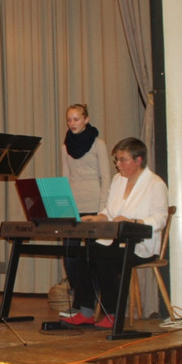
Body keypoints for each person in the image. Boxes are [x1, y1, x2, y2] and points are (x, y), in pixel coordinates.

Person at [68, 137, 169, 329]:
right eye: (117, 160)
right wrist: (98, 217)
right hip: (114, 241)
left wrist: (133, 222)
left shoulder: (155, 184)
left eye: (123, 160)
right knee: (85, 253)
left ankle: (113, 314)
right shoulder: (117, 180)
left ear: (138, 160)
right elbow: (109, 211)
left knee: (104, 258)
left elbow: (160, 219)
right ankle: (85, 311)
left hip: (140, 246)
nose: (118, 164)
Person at [58, 103, 112, 322]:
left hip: (94, 204)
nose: (72, 123)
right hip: (74, 205)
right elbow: (65, 177)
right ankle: (78, 301)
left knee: (92, 255)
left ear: (86, 120)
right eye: (69, 119)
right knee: (70, 255)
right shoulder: (65, 146)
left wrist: (102, 209)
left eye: (76, 119)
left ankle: (93, 302)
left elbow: (105, 177)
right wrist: (63, 206)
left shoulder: (98, 144)